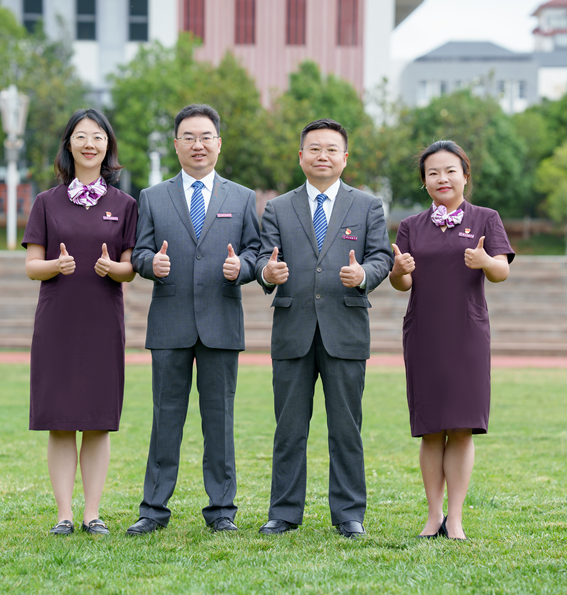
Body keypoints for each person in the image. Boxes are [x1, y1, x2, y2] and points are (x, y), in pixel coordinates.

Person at [127, 104, 261, 535]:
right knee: (165, 418)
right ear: (176, 144)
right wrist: (151, 265)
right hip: (170, 324)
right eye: (188, 137)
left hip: (221, 322)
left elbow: (256, 253)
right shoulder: (153, 196)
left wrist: (241, 267)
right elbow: (140, 252)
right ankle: (153, 509)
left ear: (219, 143)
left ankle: (221, 510)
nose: (197, 145)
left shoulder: (241, 197)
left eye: (205, 137)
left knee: (219, 420)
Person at [257, 118, 394, 538]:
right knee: (289, 429)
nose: (323, 156)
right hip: (292, 329)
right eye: (314, 149)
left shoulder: (367, 206)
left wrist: (364, 275)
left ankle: (349, 514)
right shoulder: (278, 208)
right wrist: (268, 273)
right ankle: (283, 513)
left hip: (345, 328)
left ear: (344, 158)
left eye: (331, 149)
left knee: (346, 429)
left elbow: (381, 258)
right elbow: (263, 259)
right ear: (301, 156)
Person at [389, 140, 514, 540]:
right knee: (430, 429)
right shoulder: (410, 226)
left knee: (461, 428)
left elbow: (501, 272)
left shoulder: (486, 218)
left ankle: (455, 518)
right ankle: (433, 516)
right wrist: (399, 270)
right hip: (424, 334)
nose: (442, 178)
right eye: (433, 173)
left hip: (467, 334)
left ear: (465, 175)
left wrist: (486, 261)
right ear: (424, 182)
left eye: (450, 171)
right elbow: (402, 283)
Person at [22, 108, 137, 536]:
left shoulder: (125, 205)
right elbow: (32, 266)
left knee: (97, 419)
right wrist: (56, 265)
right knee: (60, 420)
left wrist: (113, 268)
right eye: (82, 136)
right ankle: (64, 515)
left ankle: (93, 513)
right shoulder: (46, 203)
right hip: (58, 323)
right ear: (69, 145)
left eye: (98, 137)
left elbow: (130, 268)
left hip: (103, 322)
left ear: (108, 147)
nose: (90, 144)